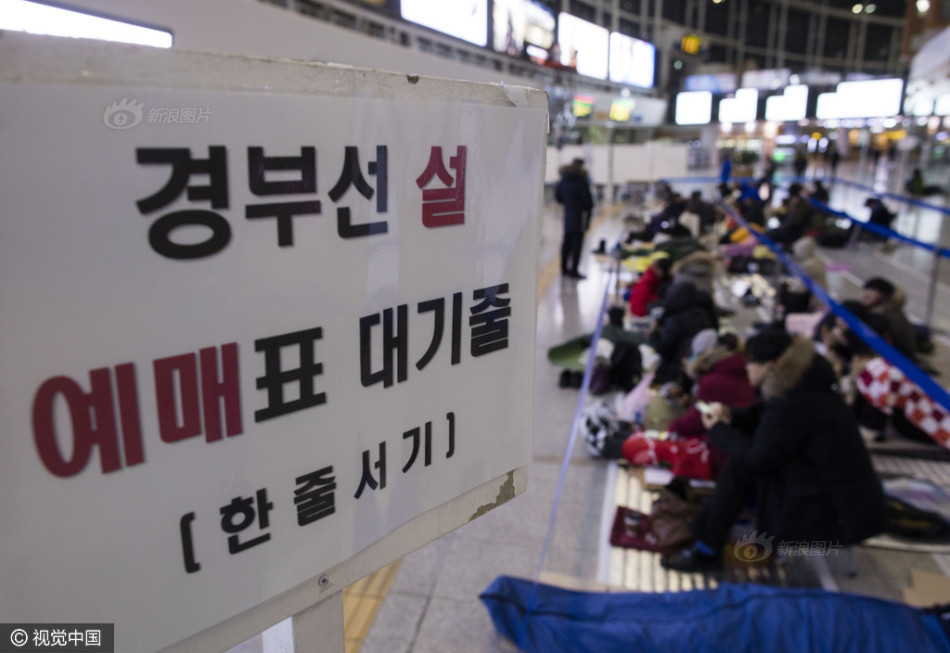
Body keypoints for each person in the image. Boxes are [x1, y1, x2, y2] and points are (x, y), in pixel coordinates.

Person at [662, 329, 886, 571]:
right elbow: (766, 419)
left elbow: (758, 458)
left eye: (750, 364)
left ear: (769, 366)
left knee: (740, 468)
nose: (747, 369)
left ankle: (706, 550)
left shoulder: (792, 402)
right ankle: (706, 543)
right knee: (741, 464)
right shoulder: (802, 385)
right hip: (843, 499)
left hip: (832, 515)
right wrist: (730, 416)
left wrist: (717, 429)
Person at [647, 281, 718, 384]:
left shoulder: (675, 320)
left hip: (676, 371)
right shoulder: (702, 314)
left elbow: (664, 348)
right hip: (697, 366)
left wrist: (653, 333)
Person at [860, 277, 917, 361]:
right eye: (866, 289)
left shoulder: (891, 317)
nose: (866, 294)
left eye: (872, 290)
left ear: (884, 295)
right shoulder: (877, 312)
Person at [555, 158, 594, 279]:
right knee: (577, 244)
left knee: (566, 242)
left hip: (568, 215)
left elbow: (558, 198)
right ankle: (574, 270)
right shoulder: (581, 181)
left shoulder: (562, 180)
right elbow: (587, 201)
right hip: (580, 215)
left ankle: (564, 269)